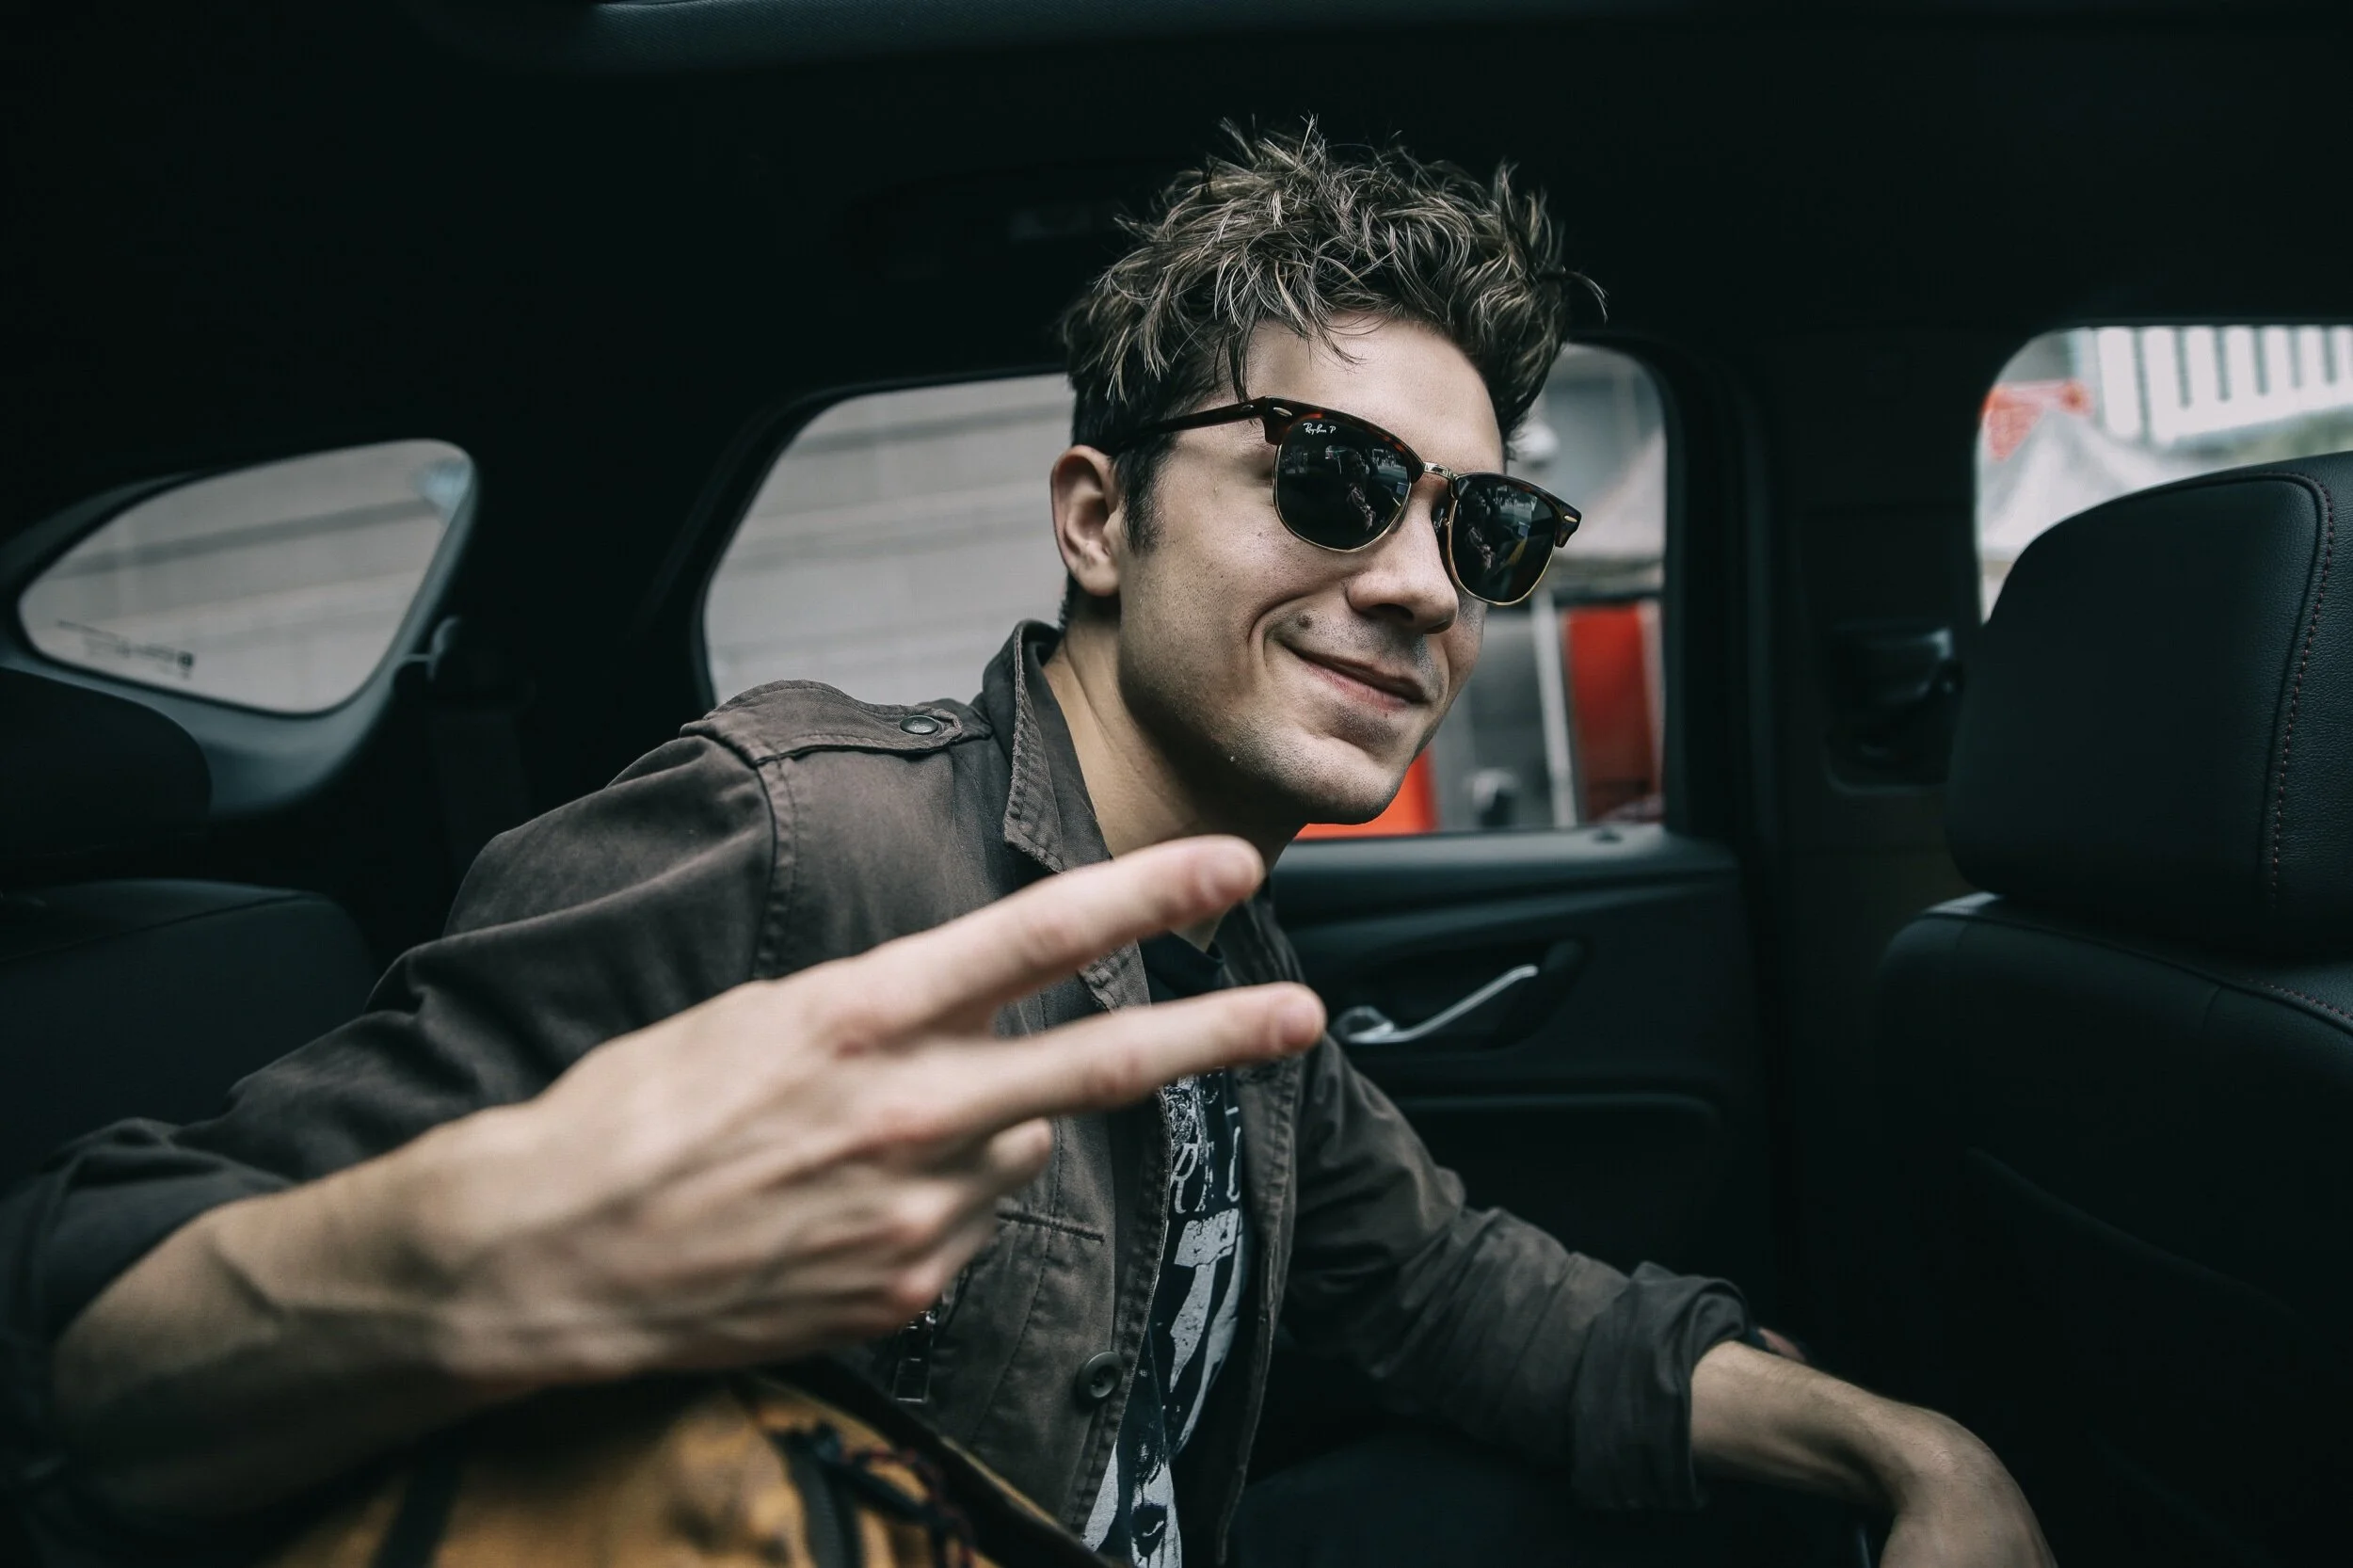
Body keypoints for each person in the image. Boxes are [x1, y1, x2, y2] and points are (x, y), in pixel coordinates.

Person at [0, 126, 2051, 1568]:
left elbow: (1448, 1295)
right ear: (1094, 519)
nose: (1426, 583)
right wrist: (480, 1254)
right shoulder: (798, 837)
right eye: (1335, 480)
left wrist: (1910, 1450)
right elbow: (67, 1343)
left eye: (1482, 526)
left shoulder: (1227, 954)